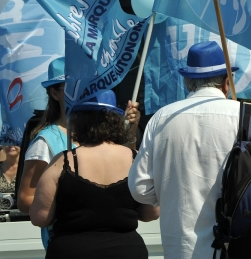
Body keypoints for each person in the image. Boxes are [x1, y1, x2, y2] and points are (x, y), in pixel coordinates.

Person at [129, 41, 251, 259]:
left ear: (187, 83)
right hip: (236, 247)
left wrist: (170, 191)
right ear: (225, 82)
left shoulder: (161, 119)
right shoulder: (244, 115)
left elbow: (140, 189)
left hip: (180, 250)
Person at [18, 57, 141, 248]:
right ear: (54, 93)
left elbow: (133, 181)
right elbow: (26, 199)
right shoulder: (46, 141)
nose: (82, 94)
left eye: (86, 87)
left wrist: (130, 133)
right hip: (66, 239)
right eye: (72, 89)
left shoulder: (105, 137)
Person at [29, 90, 159, 259]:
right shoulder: (135, 159)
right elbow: (151, 213)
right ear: (116, 121)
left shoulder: (63, 161)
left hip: (72, 251)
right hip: (126, 250)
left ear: (79, 121)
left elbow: (40, 218)